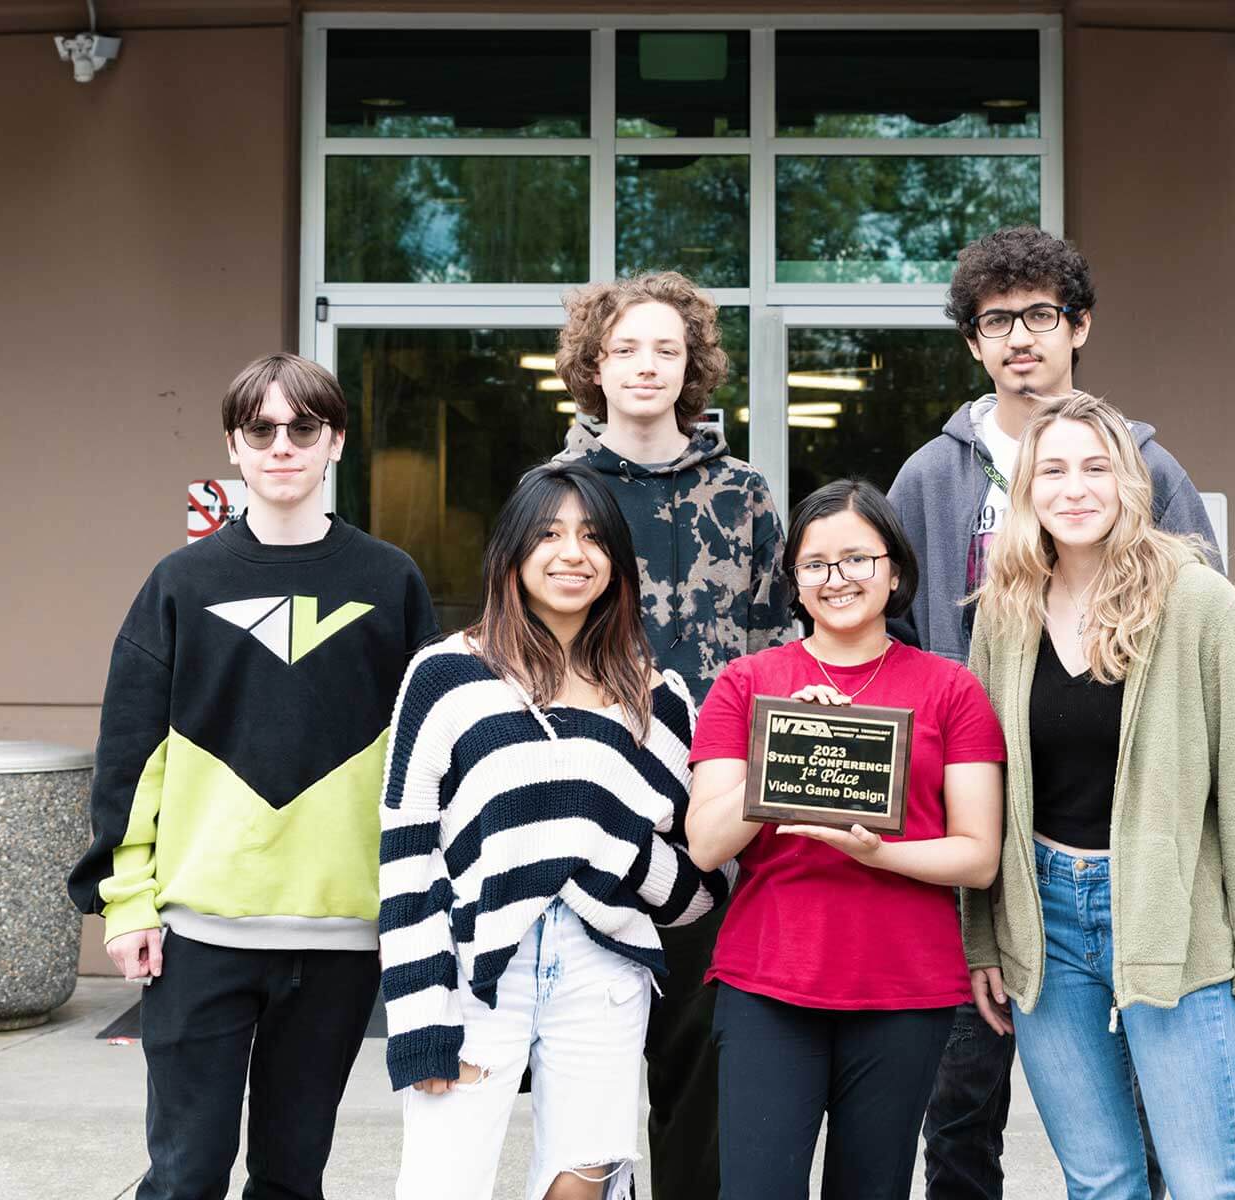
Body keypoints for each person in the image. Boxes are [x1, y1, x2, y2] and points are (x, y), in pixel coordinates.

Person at [887, 225, 1220, 1199]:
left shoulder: (1146, 471)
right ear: (973, 343)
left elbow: (1207, 632)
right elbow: (893, 634)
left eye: (1040, 314)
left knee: (1153, 1102)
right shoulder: (928, 477)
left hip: (1116, 839)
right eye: (997, 321)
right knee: (960, 1093)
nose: (1019, 337)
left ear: (1079, 326)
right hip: (971, 832)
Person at [68, 353, 440, 1199]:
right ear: (233, 446)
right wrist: (127, 905)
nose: (282, 445)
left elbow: (426, 757)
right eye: (260, 429)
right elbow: (131, 754)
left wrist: (419, 909)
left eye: (303, 427)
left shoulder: (390, 580)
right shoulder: (181, 582)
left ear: (335, 441)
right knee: (185, 1175)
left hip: (342, 936)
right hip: (200, 932)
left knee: (292, 1176)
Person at [379, 460, 734, 1200]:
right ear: (512, 551)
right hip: (476, 967)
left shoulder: (658, 700)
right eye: (549, 534)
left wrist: (611, 848)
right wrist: (419, 1017)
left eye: (593, 537)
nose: (573, 553)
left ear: (617, 563)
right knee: (442, 1183)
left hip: (602, 968)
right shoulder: (446, 676)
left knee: (583, 1183)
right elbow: (409, 854)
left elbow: (704, 883)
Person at [965, 393, 1235, 1199]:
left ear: (1129, 483)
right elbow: (976, 783)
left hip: (1169, 914)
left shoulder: (1198, 600)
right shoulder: (1005, 612)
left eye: (1096, 468)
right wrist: (982, 938)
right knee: (1102, 1182)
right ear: (1028, 489)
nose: (1075, 489)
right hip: (1046, 921)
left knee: (1208, 1181)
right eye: (1054, 470)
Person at [685, 478, 1006, 1200]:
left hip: (905, 988)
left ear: (894, 571)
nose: (837, 579)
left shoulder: (952, 690)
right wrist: (784, 745)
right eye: (816, 564)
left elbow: (979, 856)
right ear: (794, 583)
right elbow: (706, 843)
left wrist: (877, 852)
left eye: (858, 559)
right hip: (770, 981)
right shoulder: (747, 684)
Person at [554, 270, 794, 1199]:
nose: (646, 366)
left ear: (692, 365)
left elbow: (781, 648)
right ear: (594, 365)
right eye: (625, 349)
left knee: (702, 1093)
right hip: (589, 823)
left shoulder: (744, 495)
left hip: (713, 828)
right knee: (588, 1097)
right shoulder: (553, 494)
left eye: (667, 348)